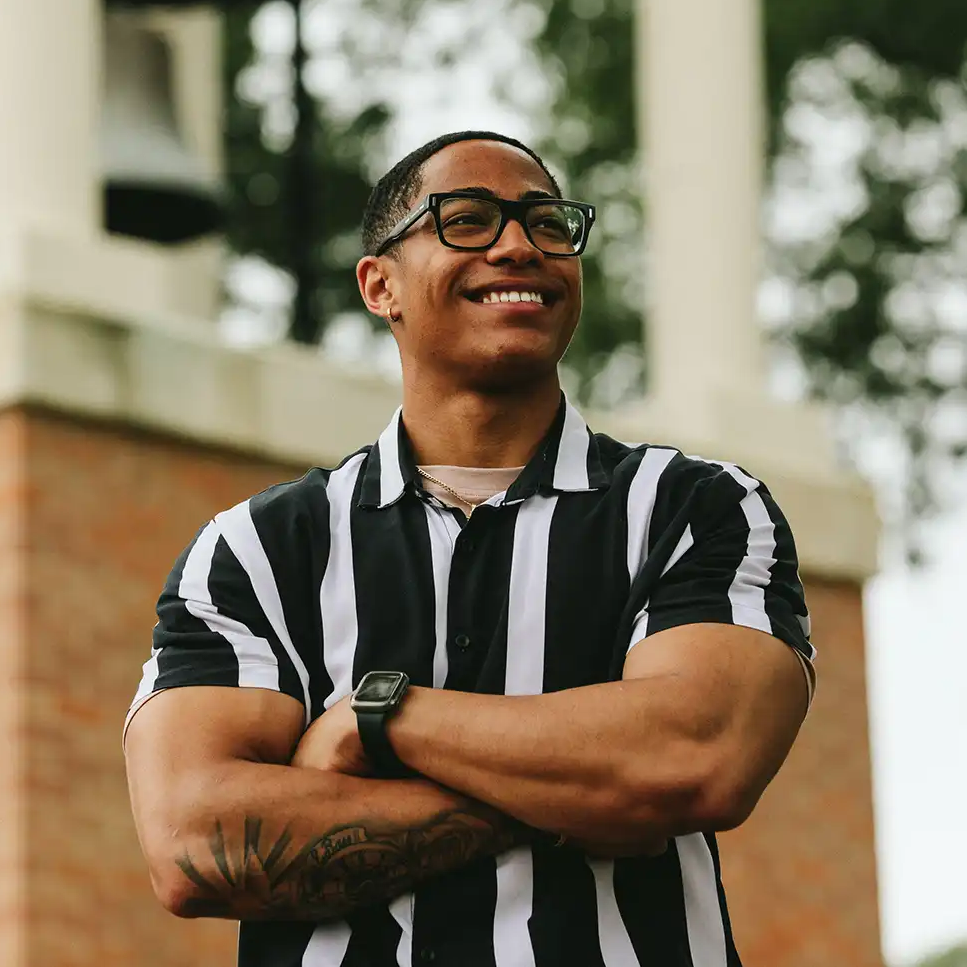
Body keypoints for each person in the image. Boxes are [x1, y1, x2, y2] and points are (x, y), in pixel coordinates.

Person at [124, 130, 816, 967]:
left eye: (548, 224)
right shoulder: (256, 550)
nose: (519, 245)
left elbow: (696, 759)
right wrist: (580, 795)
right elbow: (194, 842)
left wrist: (378, 719)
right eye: (468, 219)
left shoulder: (694, 509)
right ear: (380, 285)